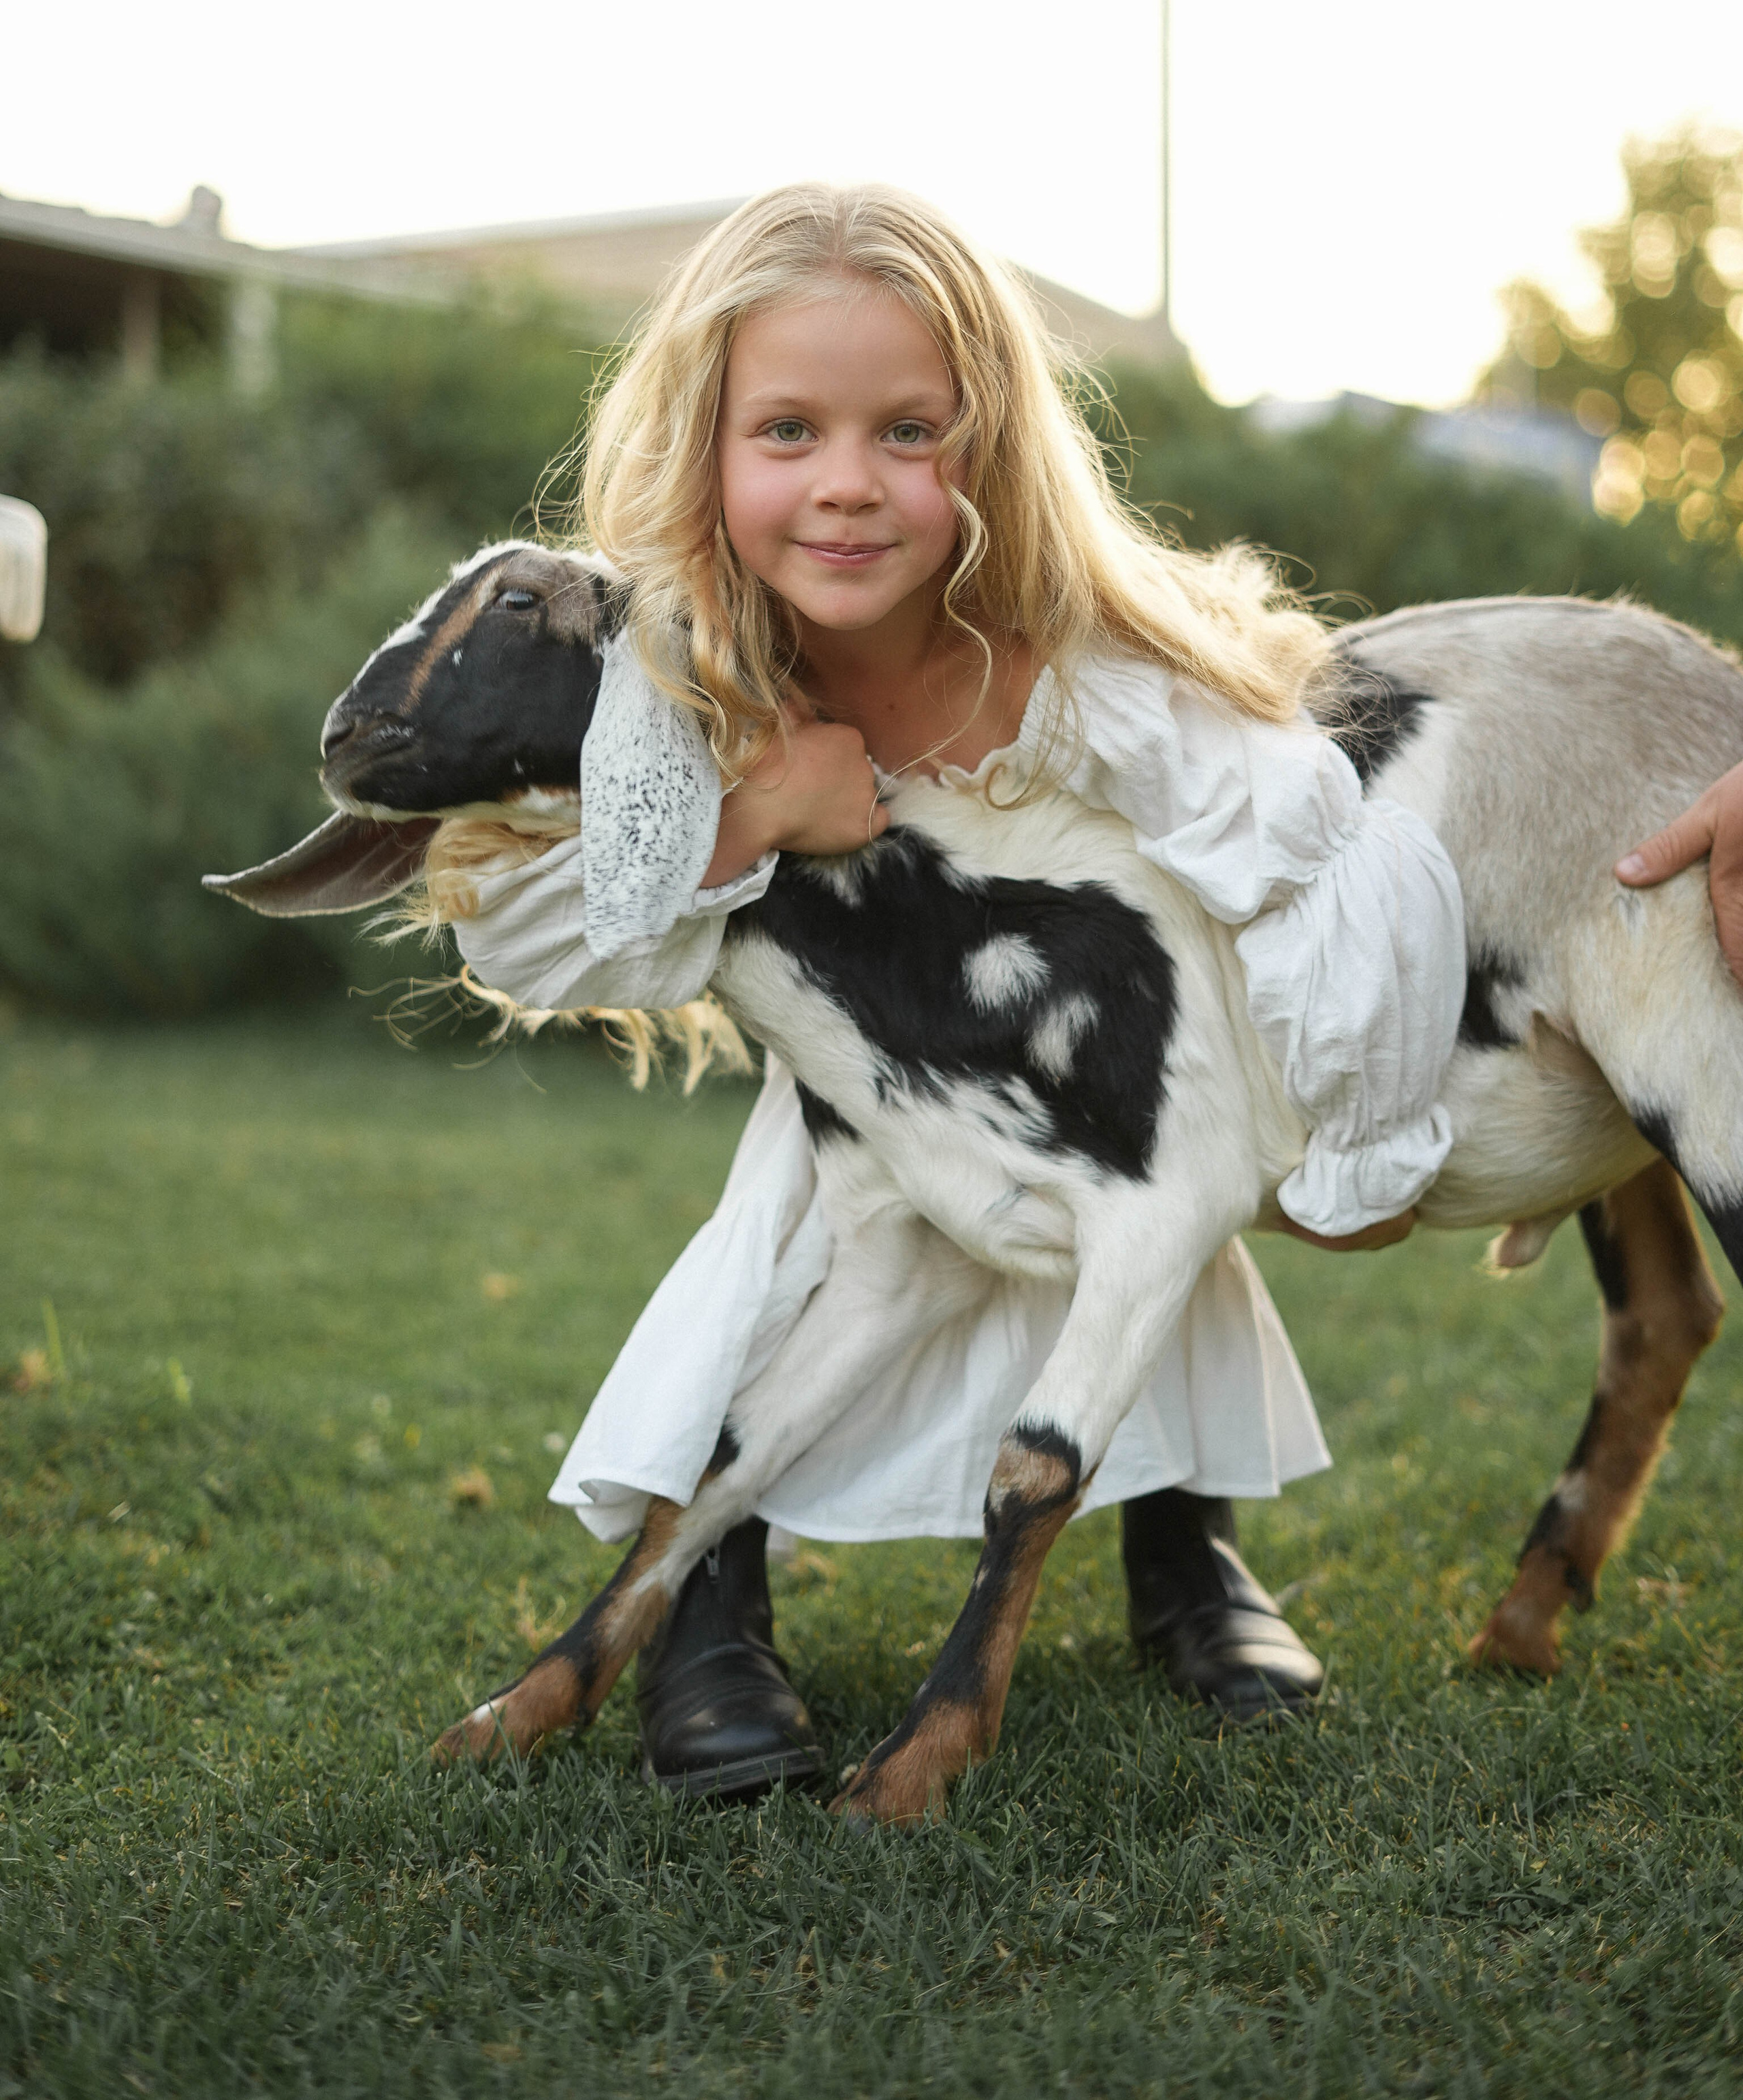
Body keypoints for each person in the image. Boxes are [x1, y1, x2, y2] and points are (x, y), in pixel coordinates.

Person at [447, 183, 1467, 1800]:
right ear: (705, 449)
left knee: (1149, 1214)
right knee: (786, 1256)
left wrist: (1361, 1131)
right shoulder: (675, 679)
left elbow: (1303, 849)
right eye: (786, 430)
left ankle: (1177, 1538)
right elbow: (527, 927)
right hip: (866, 1087)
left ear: (985, 451)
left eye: (907, 432)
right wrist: (756, 814)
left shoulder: (1079, 678)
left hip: (1098, 1075)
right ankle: (712, 1598)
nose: (846, 483)